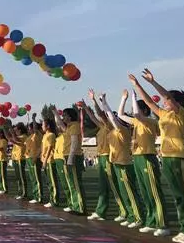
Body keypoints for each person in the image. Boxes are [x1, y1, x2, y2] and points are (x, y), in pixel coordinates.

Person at [130, 69, 184, 243]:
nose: (163, 103)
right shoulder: (164, 115)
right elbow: (148, 101)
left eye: (166, 100)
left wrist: (152, 82)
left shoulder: (181, 114)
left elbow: (167, 97)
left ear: (176, 102)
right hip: (168, 158)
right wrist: (137, 85)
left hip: (180, 158)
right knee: (178, 195)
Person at [118, 88, 170, 236]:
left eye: (138, 108)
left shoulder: (150, 121)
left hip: (148, 157)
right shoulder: (136, 122)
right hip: (138, 158)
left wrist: (134, 97)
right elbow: (121, 115)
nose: (134, 111)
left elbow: (136, 114)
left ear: (145, 111)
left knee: (154, 191)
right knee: (145, 192)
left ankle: (162, 224)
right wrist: (124, 98)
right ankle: (151, 221)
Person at [98, 92, 143, 229]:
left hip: (124, 164)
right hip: (116, 163)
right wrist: (100, 103)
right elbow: (107, 117)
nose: (113, 121)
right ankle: (130, 215)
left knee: (130, 192)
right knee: (123, 192)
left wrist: (104, 102)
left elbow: (112, 117)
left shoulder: (123, 130)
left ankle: (138, 216)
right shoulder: (113, 132)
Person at [83, 91, 126, 222]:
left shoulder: (109, 126)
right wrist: (86, 107)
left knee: (113, 186)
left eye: (103, 116)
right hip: (101, 157)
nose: (100, 117)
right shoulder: (102, 127)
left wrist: (95, 101)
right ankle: (101, 211)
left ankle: (124, 212)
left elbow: (99, 113)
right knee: (103, 186)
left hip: (108, 157)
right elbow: (93, 117)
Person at [53, 107, 86, 215]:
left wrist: (71, 157)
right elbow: (60, 124)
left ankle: (80, 207)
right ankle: (74, 204)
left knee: (75, 182)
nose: (63, 118)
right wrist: (55, 113)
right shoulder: (69, 127)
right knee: (71, 182)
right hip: (67, 156)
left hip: (73, 156)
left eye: (65, 115)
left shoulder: (75, 125)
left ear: (70, 116)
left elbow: (75, 142)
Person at [4, 123, 28, 200]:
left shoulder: (24, 136)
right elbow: (8, 137)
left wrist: (12, 131)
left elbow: (17, 140)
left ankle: (24, 193)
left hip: (20, 159)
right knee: (18, 177)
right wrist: (3, 128)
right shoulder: (17, 136)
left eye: (16, 129)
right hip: (15, 159)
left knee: (21, 177)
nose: (15, 131)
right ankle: (20, 192)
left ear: (20, 130)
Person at [41, 117, 59, 208]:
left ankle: (54, 200)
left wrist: (45, 160)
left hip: (50, 160)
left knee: (52, 181)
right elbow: (43, 148)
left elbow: (49, 148)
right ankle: (51, 198)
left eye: (43, 125)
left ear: (47, 126)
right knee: (48, 182)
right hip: (45, 160)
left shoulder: (51, 135)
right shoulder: (45, 135)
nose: (42, 126)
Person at [25, 116, 43, 204]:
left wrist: (33, 119)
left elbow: (35, 129)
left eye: (29, 128)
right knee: (32, 178)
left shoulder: (38, 134)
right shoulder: (30, 136)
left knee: (36, 178)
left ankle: (39, 197)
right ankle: (35, 195)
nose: (29, 130)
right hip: (29, 158)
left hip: (35, 157)